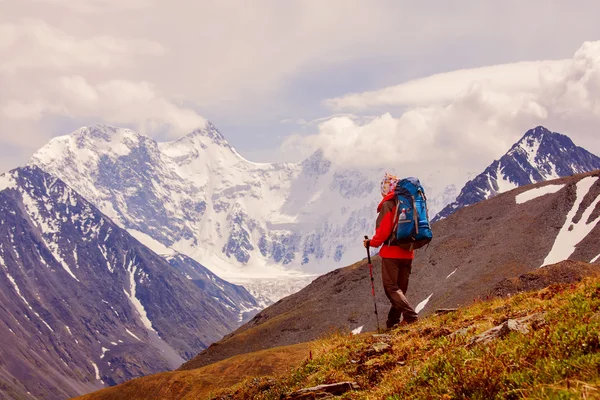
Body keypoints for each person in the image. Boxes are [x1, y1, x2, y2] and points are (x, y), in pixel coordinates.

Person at [364, 172, 418, 329]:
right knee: (400, 289)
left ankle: (411, 316)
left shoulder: (389, 204)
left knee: (391, 288)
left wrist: (370, 243)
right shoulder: (409, 202)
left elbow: (383, 233)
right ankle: (393, 321)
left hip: (391, 252)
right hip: (408, 252)